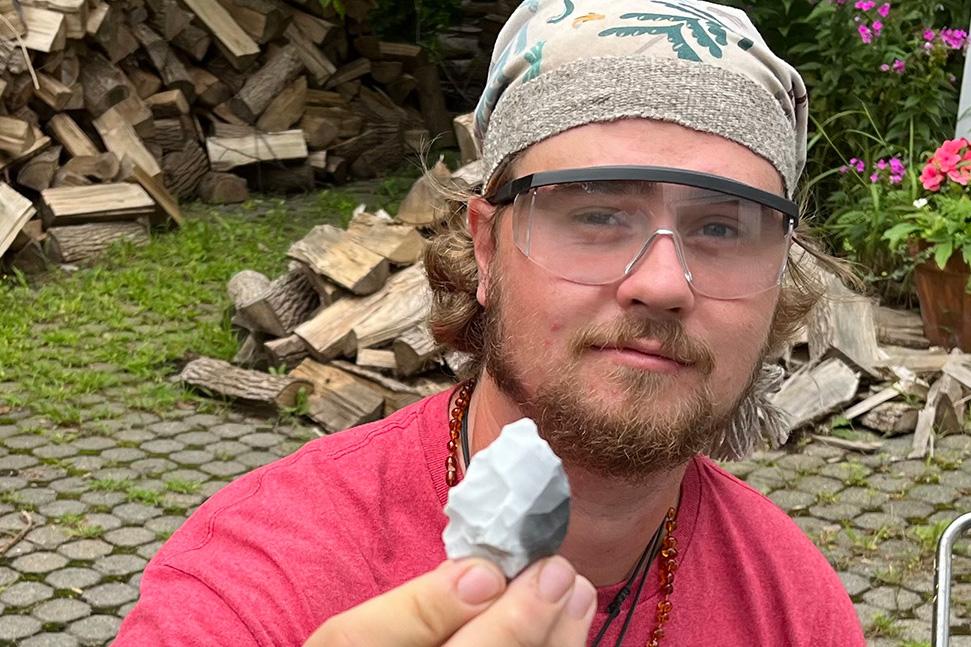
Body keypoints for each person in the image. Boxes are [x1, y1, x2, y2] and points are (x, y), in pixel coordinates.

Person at [115, 0, 867, 645]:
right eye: (598, 214)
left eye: (725, 228)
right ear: (484, 249)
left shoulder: (792, 604)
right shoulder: (259, 575)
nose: (662, 283)